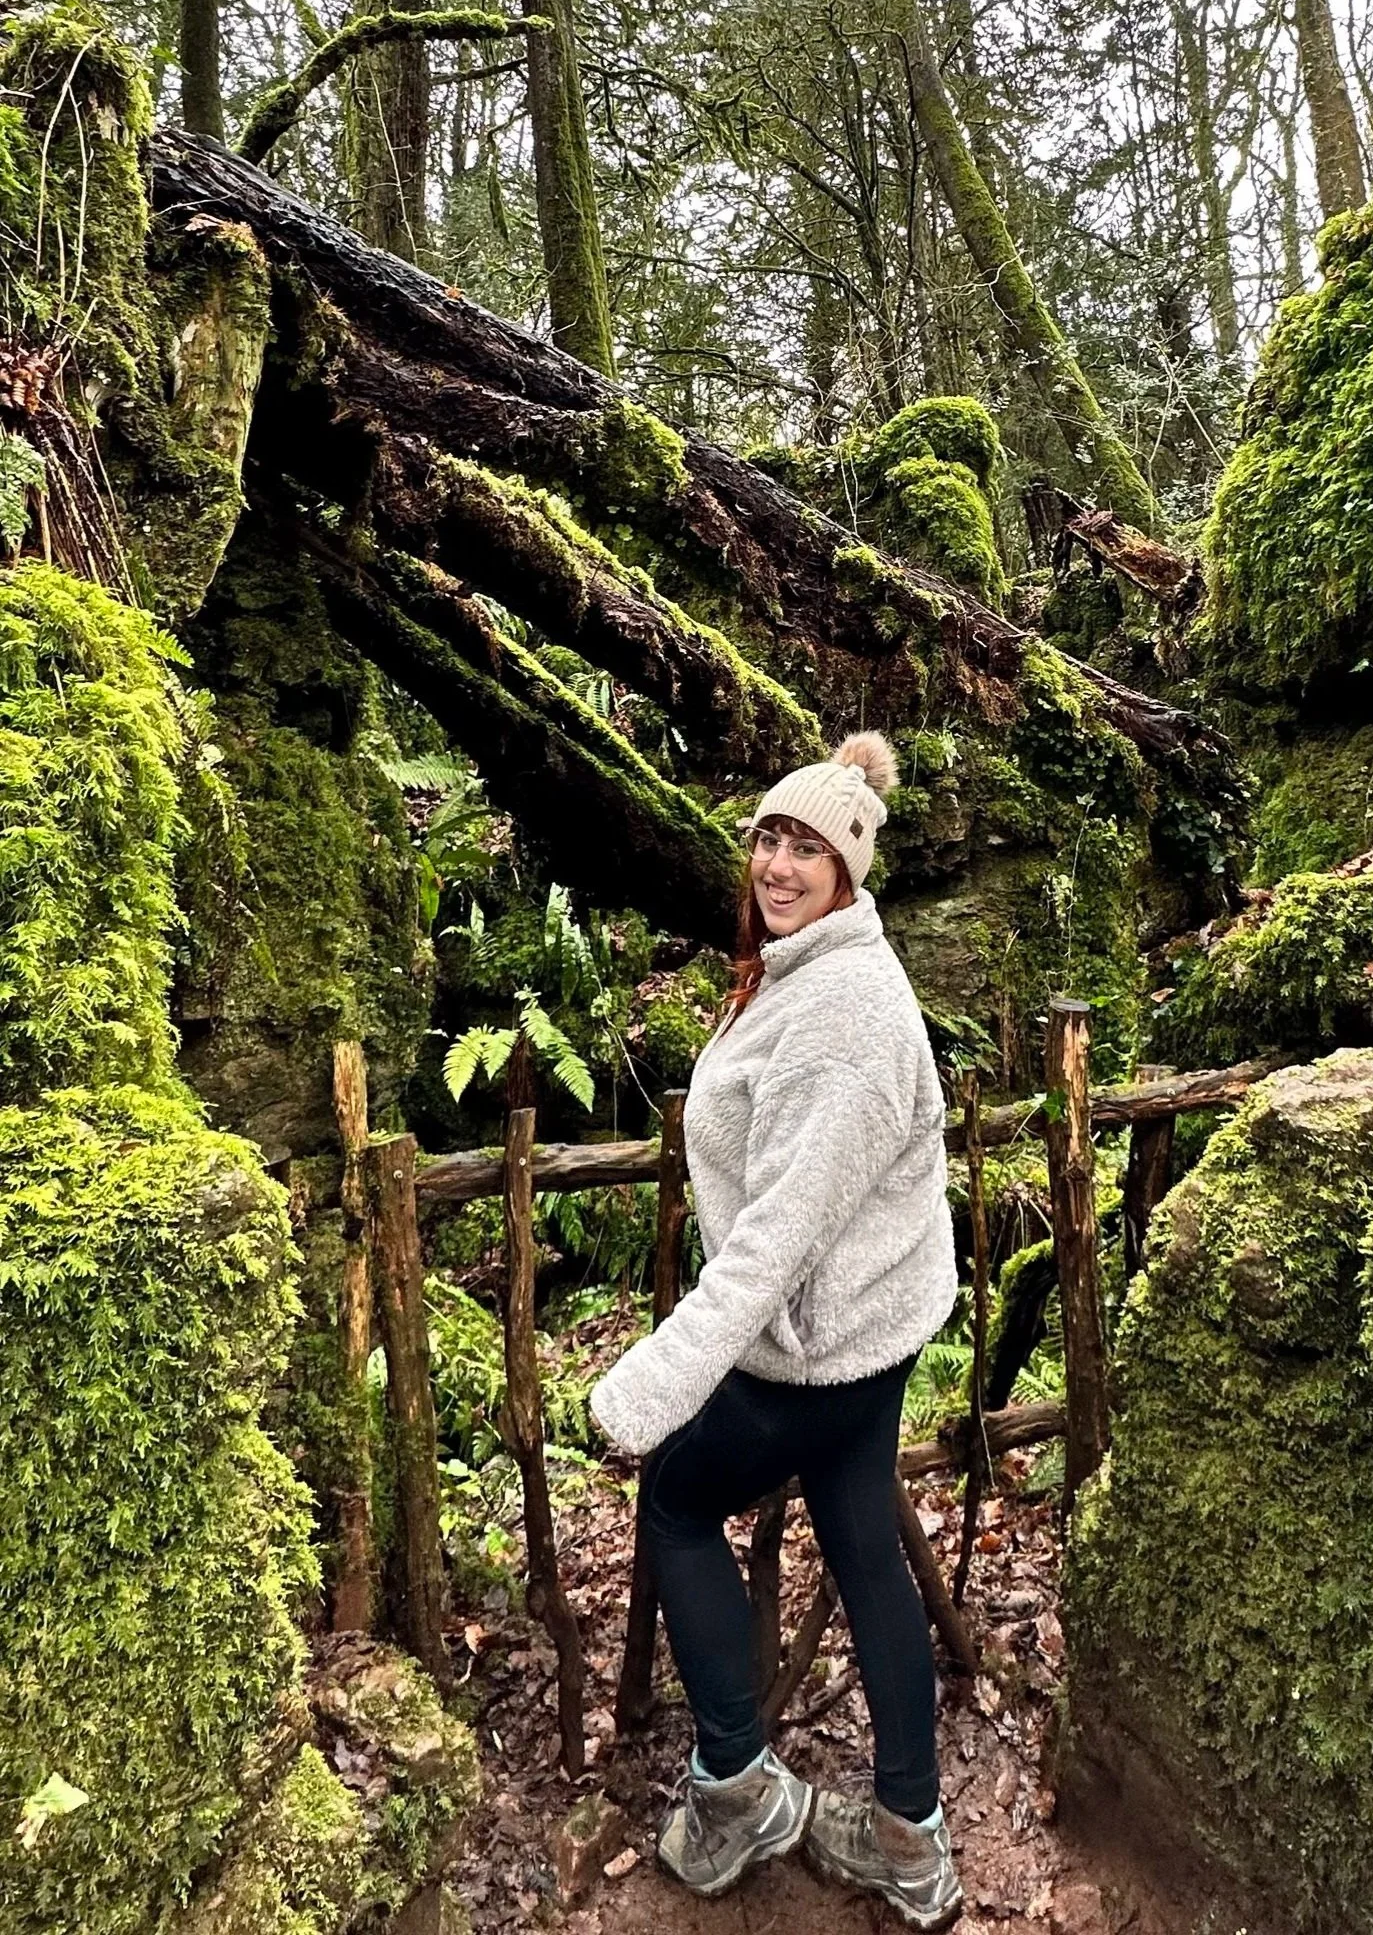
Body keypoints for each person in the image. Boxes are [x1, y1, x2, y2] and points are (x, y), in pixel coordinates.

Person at [591, 730, 963, 1930]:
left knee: (681, 1500)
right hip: (860, 1328)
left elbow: (778, 1233)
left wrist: (648, 1386)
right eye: (770, 835)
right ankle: (912, 1837)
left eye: (810, 845)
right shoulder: (809, 968)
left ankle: (737, 1785)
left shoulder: (846, 1008)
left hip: (815, 1341)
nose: (781, 863)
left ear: (851, 871)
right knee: (864, 1545)